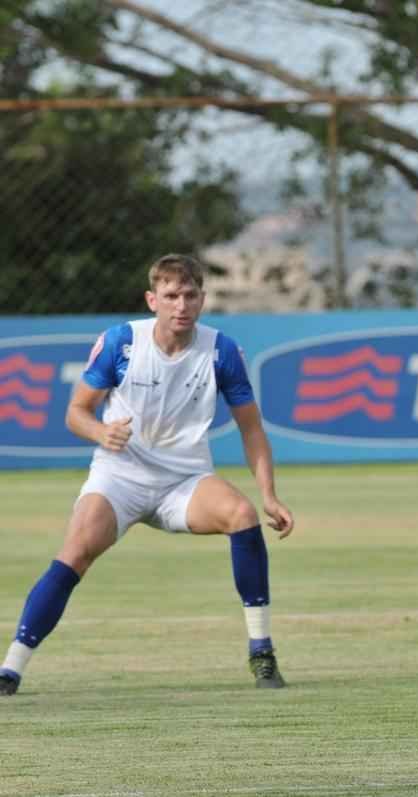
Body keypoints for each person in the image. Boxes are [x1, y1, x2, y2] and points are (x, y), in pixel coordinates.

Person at [0, 254, 294, 696]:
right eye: (172, 295)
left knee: (243, 514)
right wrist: (101, 431)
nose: (182, 305)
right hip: (120, 477)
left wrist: (269, 494)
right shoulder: (121, 343)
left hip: (185, 481)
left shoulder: (221, 351)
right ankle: (11, 668)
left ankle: (262, 653)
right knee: (76, 551)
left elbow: (252, 429)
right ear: (152, 299)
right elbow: (76, 413)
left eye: (191, 295)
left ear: (202, 299)